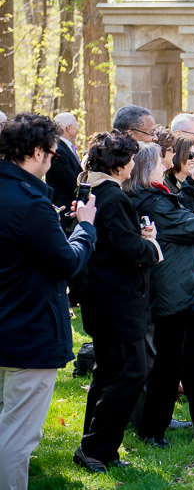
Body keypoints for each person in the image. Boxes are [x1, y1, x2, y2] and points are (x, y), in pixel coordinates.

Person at [0, 113, 97, 490]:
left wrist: (55, 221)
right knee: (18, 434)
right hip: (28, 329)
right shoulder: (29, 202)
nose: (55, 162)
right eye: (55, 155)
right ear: (38, 152)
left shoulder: (23, 199)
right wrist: (86, 227)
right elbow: (67, 262)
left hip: (10, 321)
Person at [74, 130, 163, 473]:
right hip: (117, 301)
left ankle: (96, 445)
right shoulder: (112, 197)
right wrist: (152, 247)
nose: (133, 165)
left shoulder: (90, 189)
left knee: (108, 372)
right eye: (130, 159)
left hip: (102, 297)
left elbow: (111, 241)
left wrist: (136, 237)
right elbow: (126, 249)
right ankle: (96, 447)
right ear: (120, 164)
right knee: (130, 372)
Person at [125, 143, 194, 446]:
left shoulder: (156, 196)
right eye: (158, 164)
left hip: (181, 288)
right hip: (170, 293)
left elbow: (182, 211)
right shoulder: (152, 203)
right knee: (169, 366)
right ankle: (152, 430)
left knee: (193, 363)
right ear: (146, 170)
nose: (164, 167)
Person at [46, 111, 83, 216]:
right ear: (69, 128)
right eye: (76, 125)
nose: (78, 128)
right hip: (64, 208)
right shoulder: (58, 149)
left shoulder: (65, 147)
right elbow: (70, 181)